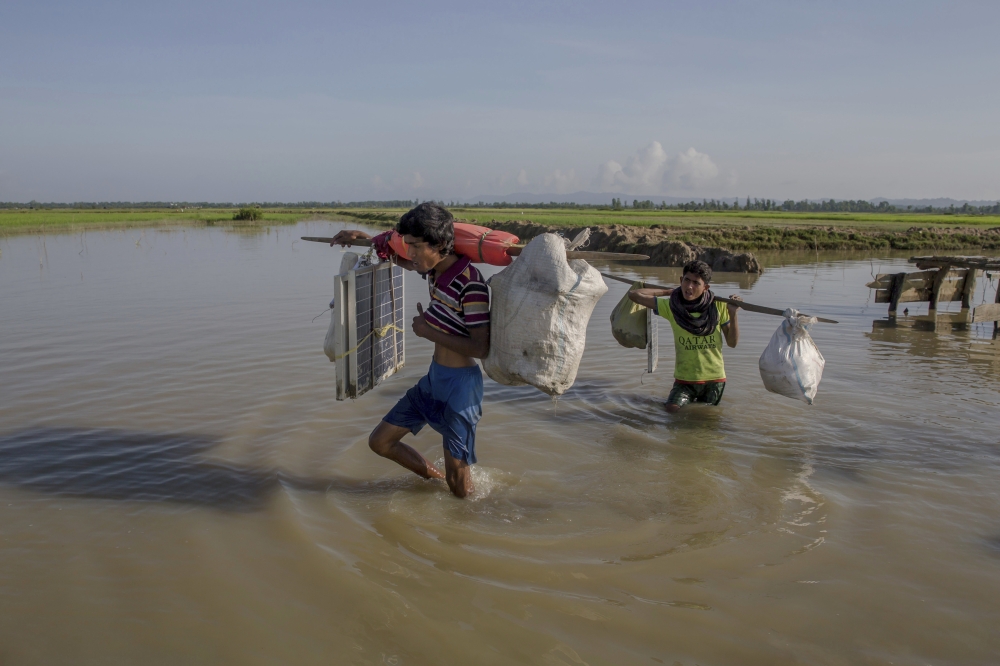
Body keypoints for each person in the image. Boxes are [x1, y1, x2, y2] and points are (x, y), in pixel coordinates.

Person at [330, 203, 490, 497]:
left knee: (462, 490)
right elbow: (397, 256)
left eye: (416, 246)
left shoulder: (471, 284)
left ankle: (466, 525)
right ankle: (438, 484)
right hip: (433, 381)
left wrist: (429, 331)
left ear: (439, 244)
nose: (410, 253)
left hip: (460, 388)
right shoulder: (434, 271)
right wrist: (362, 237)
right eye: (408, 245)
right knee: (380, 442)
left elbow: (481, 347)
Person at [627, 260, 742, 413]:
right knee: (671, 411)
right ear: (681, 280)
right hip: (684, 379)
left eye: (696, 283)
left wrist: (733, 313)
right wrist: (669, 292)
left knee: (706, 420)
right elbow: (634, 295)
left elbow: (732, 343)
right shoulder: (672, 306)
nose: (689, 287)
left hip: (714, 379)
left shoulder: (718, 306)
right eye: (686, 280)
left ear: (705, 287)